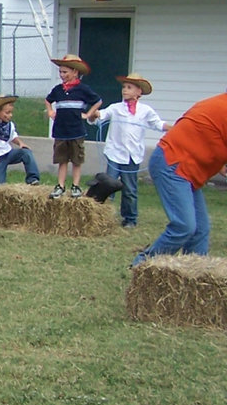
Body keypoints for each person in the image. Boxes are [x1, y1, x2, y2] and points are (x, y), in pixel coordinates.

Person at [132, 92, 227, 266]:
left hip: (185, 167)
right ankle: (142, 266)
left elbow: (205, 132)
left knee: (200, 229)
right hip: (173, 163)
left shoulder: (218, 103)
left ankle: (194, 277)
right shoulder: (221, 106)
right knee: (185, 226)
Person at [89, 73, 172, 228]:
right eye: (124, 87)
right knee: (109, 186)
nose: (125, 90)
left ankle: (130, 219)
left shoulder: (145, 111)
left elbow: (157, 124)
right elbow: (100, 117)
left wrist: (174, 129)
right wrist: (94, 115)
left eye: (129, 87)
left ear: (138, 92)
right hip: (115, 153)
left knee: (130, 189)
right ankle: (102, 217)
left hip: (132, 156)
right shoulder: (115, 108)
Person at [45, 53, 102, 198]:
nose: (62, 75)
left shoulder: (83, 89)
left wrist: (88, 114)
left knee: (76, 160)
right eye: (60, 72)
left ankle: (75, 186)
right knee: (62, 159)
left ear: (75, 72)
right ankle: (60, 186)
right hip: (60, 131)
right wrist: (50, 111)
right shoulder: (58, 90)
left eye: (65, 72)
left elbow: (98, 101)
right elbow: (48, 100)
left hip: (76, 131)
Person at [0, 95, 41, 186]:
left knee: (26, 153)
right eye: (7, 113)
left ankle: (33, 179)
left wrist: (20, 143)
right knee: (0, 187)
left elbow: (12, 136)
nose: (10, 115)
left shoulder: (9, 125)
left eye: (11, 112)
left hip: (8, 153)